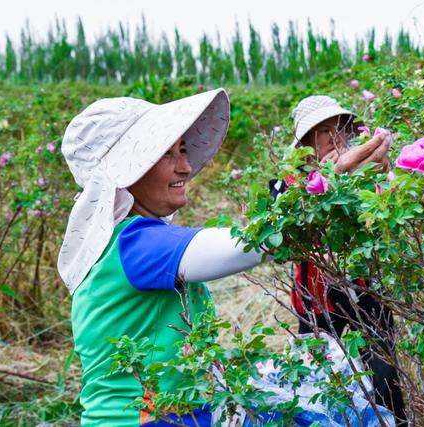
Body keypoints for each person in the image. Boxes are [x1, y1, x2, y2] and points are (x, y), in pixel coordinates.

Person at [58, 89, 286, 427]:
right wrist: (314, 188)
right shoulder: (136, 243)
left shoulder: (122, 239)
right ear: (127, 171)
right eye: (166, 154)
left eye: (181, 150)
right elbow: (246, 247)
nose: (186, 166)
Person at [269, 95, 407, 425]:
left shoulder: (364, 176)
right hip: (315, 301)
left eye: (341, 128)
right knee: (316, 381)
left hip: (367, 294)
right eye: (325, 130)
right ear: (304, 142)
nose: (336, 136)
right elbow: (281, 245)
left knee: (384, 377)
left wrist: (382, 177)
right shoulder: (284, 186)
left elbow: (390, 221)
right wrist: (331, 177)